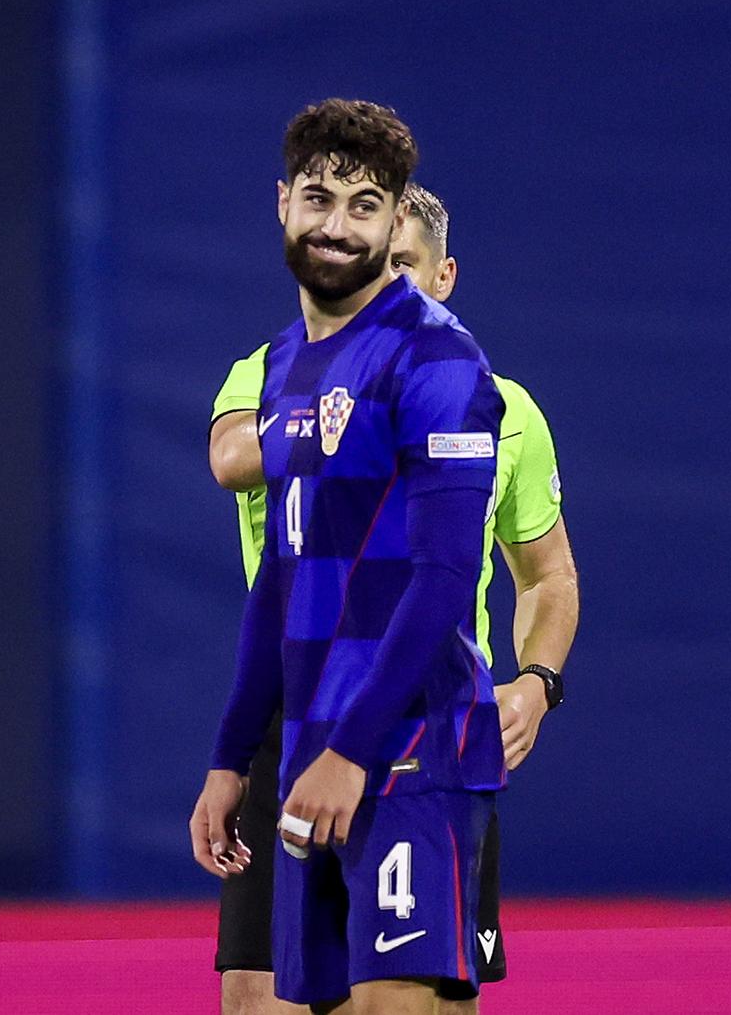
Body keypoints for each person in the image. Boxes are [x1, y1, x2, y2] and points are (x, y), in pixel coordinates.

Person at [206, 183, 578, 1014]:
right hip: (294, 717)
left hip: (424, 718)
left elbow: (547, 573)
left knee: (417, 1000)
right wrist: (334, 412)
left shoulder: (496, 405)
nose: (386, 286)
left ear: (443, 275)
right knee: (259, 997)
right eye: (375, 265)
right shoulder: (280, 369)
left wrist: (537, 679)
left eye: (404, 267)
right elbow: (231, 458)